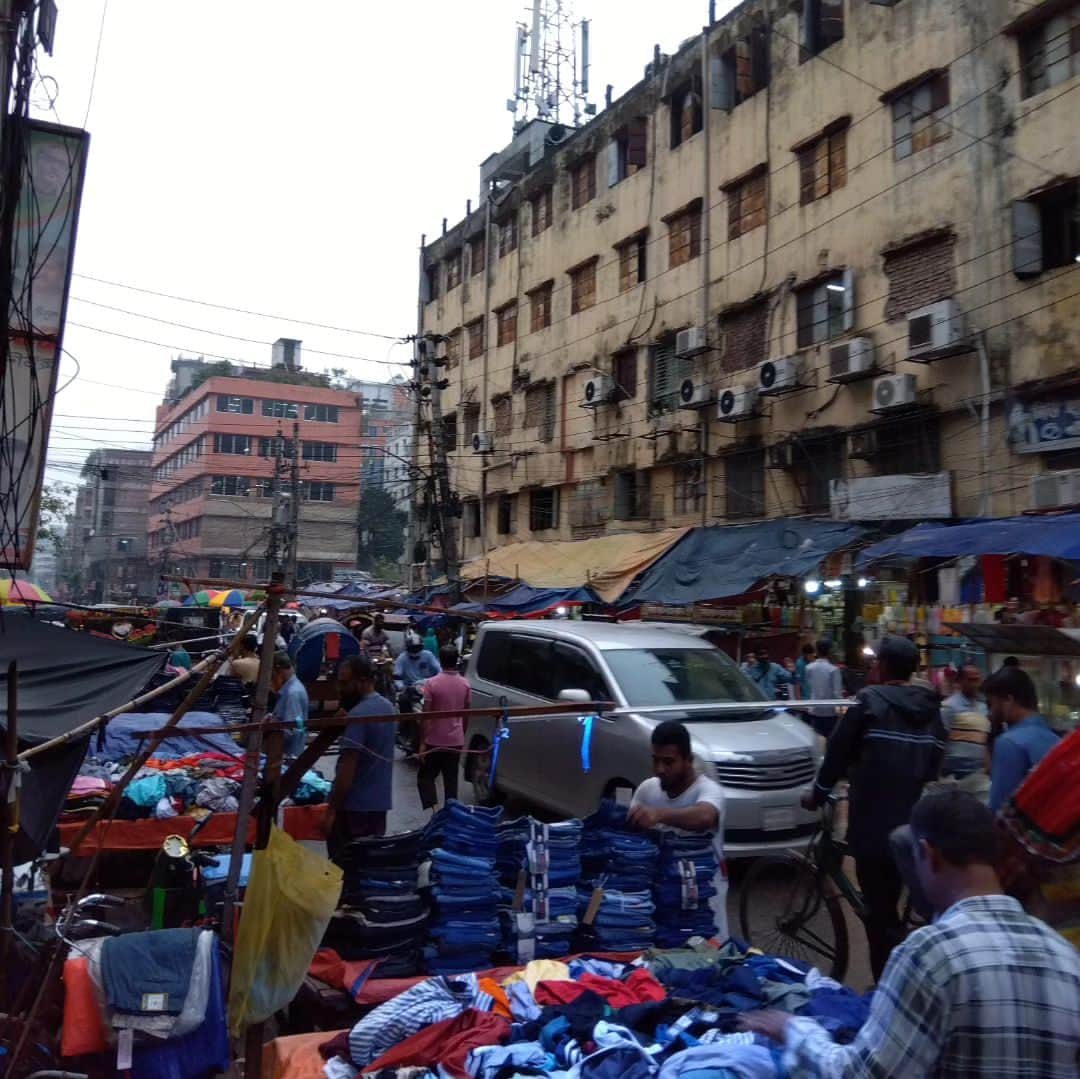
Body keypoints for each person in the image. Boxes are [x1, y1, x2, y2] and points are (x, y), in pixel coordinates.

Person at [741, 789, 1080, 1077]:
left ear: (929, 856)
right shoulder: (1065, 957)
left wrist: (792, 1029)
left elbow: (861, 1074)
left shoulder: (931, 952)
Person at [802, 635, 944, 981]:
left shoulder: (868, 703)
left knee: (879, 919)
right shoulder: (931, 709)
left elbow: (837, 754)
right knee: (890, 906)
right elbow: (933, 765)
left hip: (873, 827)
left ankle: (886, 991)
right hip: (916, 825)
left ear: (880, 666)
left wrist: (818, 793)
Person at [628, 720, 728, 940]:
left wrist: (659, 815)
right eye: (655, 760)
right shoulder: (648, 790)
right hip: (662, 907)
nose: (659, 769)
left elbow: (704, 816)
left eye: (669, 762)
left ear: (688, 761)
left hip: (704, 910)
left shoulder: (709, 791)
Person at [323, 655, 396, 858]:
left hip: (353, 809)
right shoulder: (387, 708)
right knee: (367, 869)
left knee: (344, 868)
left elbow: (347, 770)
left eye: (345, 683)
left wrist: (331, 810)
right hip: (378, 807)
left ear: (362, 681)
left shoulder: (358, 715)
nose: (340, 688)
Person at [983, 666, 1059, 812]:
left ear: (1008, 700)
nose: (989, 713)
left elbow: (999, 809)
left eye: (991, 704)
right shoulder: (1055, 740)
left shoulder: (1010, 742)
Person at [416, 645, 471, 811]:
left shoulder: (431, 684)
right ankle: (451, 816)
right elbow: (466, 715)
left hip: (434, 739)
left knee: (425, 777)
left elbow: (426, 715)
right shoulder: (465, 684)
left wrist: (422, 743)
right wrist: (462, 735)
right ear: (456, 661)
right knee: (451, 781)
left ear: (440, 660)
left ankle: (435, 810)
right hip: (455, 740)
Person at [271, 652, 309, 758]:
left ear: (278, 670)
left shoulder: (292, 693)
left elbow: (293, 728)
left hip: (288, 754)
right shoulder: (291, 689)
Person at [804, 639, 844, 738]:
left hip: (814, 710)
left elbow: (809, 686)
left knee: (816, 740)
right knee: (830, 740)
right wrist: (841, 711)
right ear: (829, 651)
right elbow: (837, 694)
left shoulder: (808, 668)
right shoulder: (834, 670)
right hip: (830, 713)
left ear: (816, 651)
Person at [941, 664, 986, 731]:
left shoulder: (983, 704)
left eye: (977, 679)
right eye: (971, 680)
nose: (975, 684)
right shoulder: (949, 707)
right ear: (960, 681)